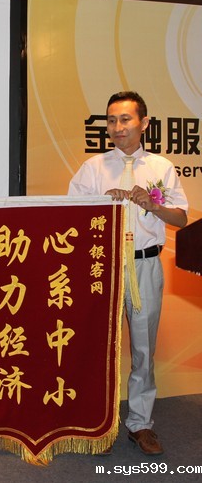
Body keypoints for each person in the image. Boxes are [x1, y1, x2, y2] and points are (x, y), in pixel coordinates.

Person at [68, 91, 188, 455]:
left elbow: (181, 218)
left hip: (145, 265)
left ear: (144, 123)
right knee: (96, 347)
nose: (118, 127)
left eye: (125, 119)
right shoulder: (92, 168)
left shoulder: (161, 167)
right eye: (111, 120)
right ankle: (96, 423)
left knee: (143, 349)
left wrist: (153, 203)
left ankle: (140, 423)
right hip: (100, 266)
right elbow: (69, 218)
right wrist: (101, 202)